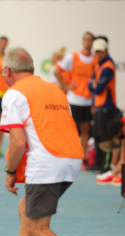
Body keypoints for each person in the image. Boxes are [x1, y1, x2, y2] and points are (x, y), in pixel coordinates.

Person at [0, 47, 95, 236]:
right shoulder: (55, 90)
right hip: (72, 159)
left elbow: (17, 143)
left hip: (47, 163)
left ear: (8, 71)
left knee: (39, 226)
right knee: (25, 209)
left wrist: (9, 172)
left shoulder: (14, 93)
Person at [54, 32, 97, 165]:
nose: (88, 42)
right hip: (75, 99)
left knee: (86, 129)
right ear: (82, 41)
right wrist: (65, 86)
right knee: (71, 128)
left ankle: (82, 157)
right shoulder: (73, 56)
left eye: (91, 40)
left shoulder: (95, 59)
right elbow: (56, 71)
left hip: (89, 100)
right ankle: (69, 153)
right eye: (86, 39)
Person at [89, 38, 116, 173]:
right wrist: (93, 103)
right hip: (98, 106)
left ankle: (105, 166)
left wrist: (94, 84)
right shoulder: (98, 65)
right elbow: (91, 86)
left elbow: (98, 88)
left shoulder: (108, 67)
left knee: (104, 136)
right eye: (96, 52)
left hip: (107, 106)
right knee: (96, 134)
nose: (98, 54)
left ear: (106, 51)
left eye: (101, 51)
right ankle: (97, 163)